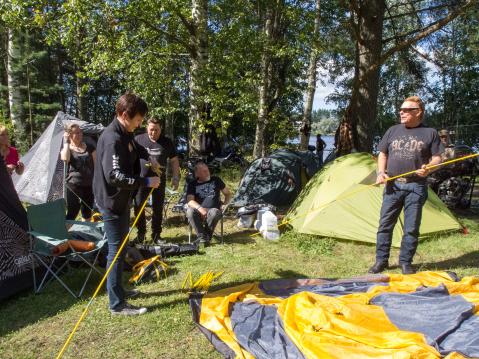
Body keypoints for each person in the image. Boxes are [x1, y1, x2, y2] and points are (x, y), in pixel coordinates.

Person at [93, 92, 160, 316]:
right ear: (124, 115)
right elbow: (115, 176)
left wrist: (149, 158)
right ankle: (116, 304)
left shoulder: (125, 133)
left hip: (122, 200)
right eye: (138, 120)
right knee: (116, 251)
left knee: (121, 248)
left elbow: (136, 148)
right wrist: (145, 181)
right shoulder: (112, 138)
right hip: (112, 201)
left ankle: (119, 291)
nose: (140, 124)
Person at [369, 96, 443, 275]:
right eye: (400, 109)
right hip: (392, 186)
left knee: (411, 227)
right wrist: (381, 173)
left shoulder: (430, 133)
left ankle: (405, 263)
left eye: (406, 110)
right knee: (385, 225)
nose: (401, 112)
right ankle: (381, 261)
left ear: (418, 112)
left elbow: (438, 158)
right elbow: (382, 154)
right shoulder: (393, 130)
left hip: (416, 187)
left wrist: (429, 168)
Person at [133, 118, 181, 244]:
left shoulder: (167, 142)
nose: (153, 133)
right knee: (138, 206)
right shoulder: (138, 140)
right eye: (151, 130)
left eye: (156, 130)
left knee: (158, 207)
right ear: (146, 128)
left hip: (159, 181)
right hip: (142, 180)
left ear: (161, 129)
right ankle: (141, 234)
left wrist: (176, 178)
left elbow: (174, 161)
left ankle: (156, 235)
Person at [186, 162, 231, 245]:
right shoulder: (192, 184)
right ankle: (202, 237)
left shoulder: (216, 180)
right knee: (190, 211)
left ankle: (204, 237)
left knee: (214, 212)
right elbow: (190, 201)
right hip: (199, 211)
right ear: (197, 174)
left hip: (213, 210)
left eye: (207, 170)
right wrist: (200, 209)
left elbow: (227, 193)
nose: (207, 172)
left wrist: (225, 204)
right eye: (204, 171)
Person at [60, 124, 96, 221]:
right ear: (70, 135)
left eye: (80, 132)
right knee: (73, 212)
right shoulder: (67, 149)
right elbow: (65, 159)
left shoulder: (90, 147)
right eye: (76, 133)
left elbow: (96, 164)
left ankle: (85, 234)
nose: (80, 134)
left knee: (87, 212)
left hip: (89, 185)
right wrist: (66, 143)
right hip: (73, 186)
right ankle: (66, 234)